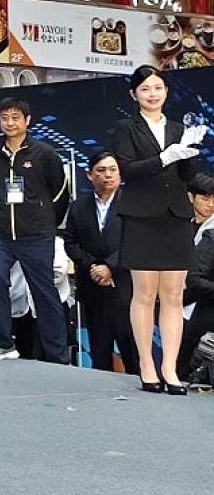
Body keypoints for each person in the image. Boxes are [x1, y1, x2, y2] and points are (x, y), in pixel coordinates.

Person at [111, 64, 203, 395]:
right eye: (146, 89)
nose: (153, 94)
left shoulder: (178, 128)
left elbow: (188, 176)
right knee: (145, 293)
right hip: (142, 217)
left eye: (158, 88)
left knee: (174, 295)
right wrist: (166, 157)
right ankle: (147, 365)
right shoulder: (126, 128)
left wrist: (189, 151)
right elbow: (128, 171)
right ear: (134, 94)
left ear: (166, 92)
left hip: (175, 216)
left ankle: (171, 368)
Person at [0, 98, 70, 364]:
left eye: (15, 117)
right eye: (4, 118)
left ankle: (57, 355)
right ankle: (4, 343)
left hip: (37, 235)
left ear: (27, 121)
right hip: (1, 234)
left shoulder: (44, 153)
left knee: (43, 292)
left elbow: (60, 193)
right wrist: (2, 214)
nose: (10, 123)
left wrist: (44, 222)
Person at [62, 150, 138, 375]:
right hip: (92, 286)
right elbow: (71, 242)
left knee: (132, 348)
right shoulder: (78, 206)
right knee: (99, 351)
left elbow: (137, 241)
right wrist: (94, 268)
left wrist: (110, 267)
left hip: (125, 285)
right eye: (101, 170)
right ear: (89, 175)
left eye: (113, 170)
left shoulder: (132, 203)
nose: (108, 175)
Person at [180, 172, 214, 380]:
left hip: (198, 305)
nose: (211, 204)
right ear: (191, 197)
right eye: (205, 198)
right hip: (177, 300)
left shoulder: (210, 233)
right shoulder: (178, 224)